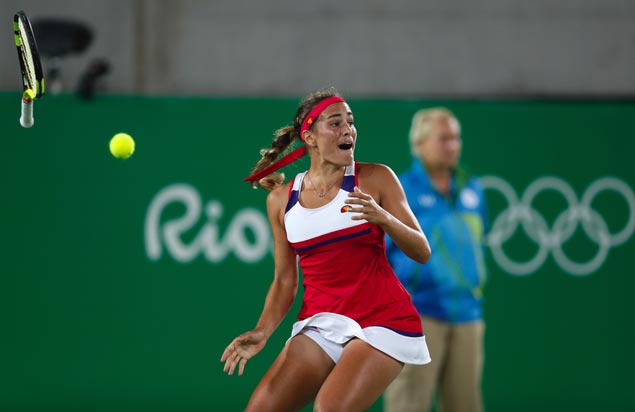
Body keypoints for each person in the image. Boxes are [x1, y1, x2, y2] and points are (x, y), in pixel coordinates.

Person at [220, 87, 432, 412]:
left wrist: (383, 217)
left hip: (383, 320)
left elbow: (421, 251)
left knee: (328, 410)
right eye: (335, 123)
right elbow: (284, 281)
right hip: (322, 322)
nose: (347, 129)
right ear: (310, 137)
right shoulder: (280, 200)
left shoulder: (376, 178)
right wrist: (262, 331)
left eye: (350, 122)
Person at [383, 108, 488, 412]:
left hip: (468, 314)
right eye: (443, 139)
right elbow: (384, 254)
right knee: (408, 404)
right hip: (417, 315)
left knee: (466, 405)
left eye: (455, 138)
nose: (452, 145)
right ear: (419, 144)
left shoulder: (472, 188)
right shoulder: (401, 190)